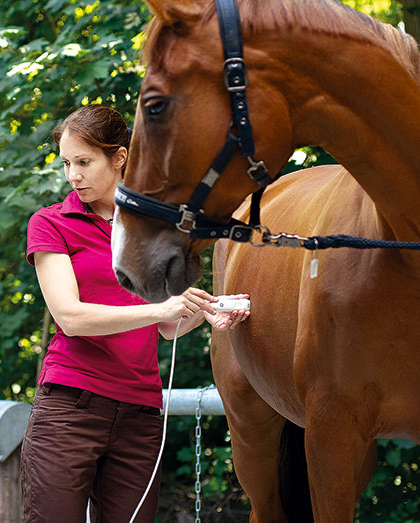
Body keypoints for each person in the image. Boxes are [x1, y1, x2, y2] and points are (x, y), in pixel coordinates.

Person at [21, 104, 249, 523]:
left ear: (120, 157)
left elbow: (166, 327)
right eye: (67, 163)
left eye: (84, 162)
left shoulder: (155, 227)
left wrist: (205, 309)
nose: (73, 175)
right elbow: (70, 317)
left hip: (140, 414)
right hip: (71, 408)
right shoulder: (52, 223)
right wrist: (161, 308)